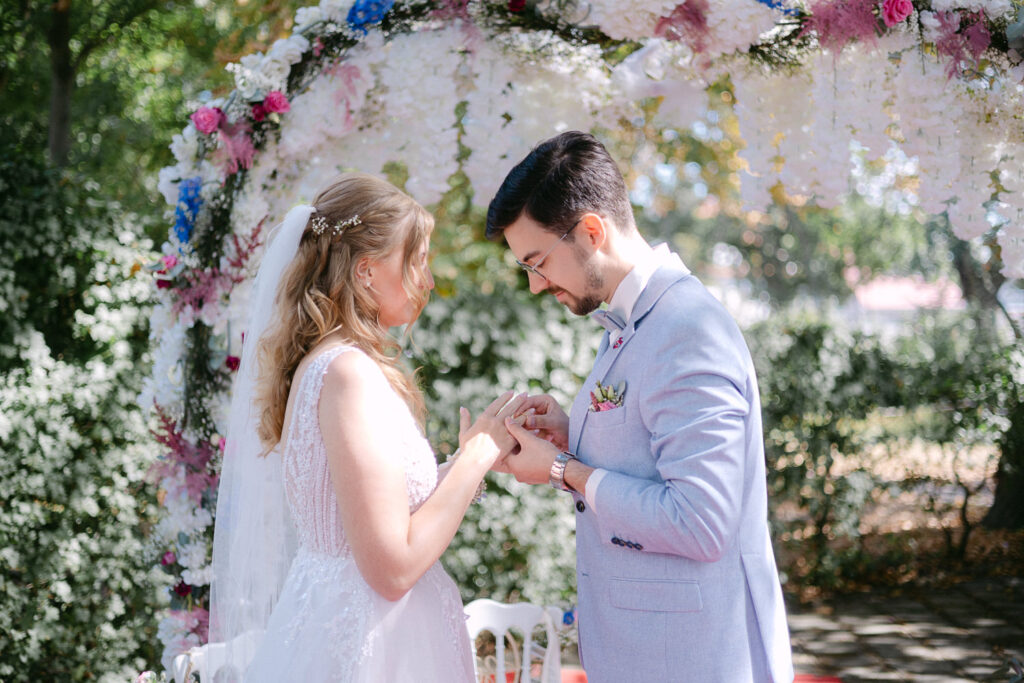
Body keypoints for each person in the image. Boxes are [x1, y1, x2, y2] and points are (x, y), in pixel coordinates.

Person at [486, 132, 794, 682]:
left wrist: (562, 471)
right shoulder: (631, 322)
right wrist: (570, 432)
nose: (535, 286)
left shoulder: (687, 329)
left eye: (538, 263)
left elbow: (701, 522)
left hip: (691, 657)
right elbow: (647, 445)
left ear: (591, 231)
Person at [209, 172, 524, 682]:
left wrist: (468, 459)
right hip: (369, 646)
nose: (428, 278)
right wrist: (478, 455)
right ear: (367, 271)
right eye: (416, 259)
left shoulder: (334, 366)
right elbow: (392, 567)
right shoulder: (347, 374)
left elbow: (377, 516)